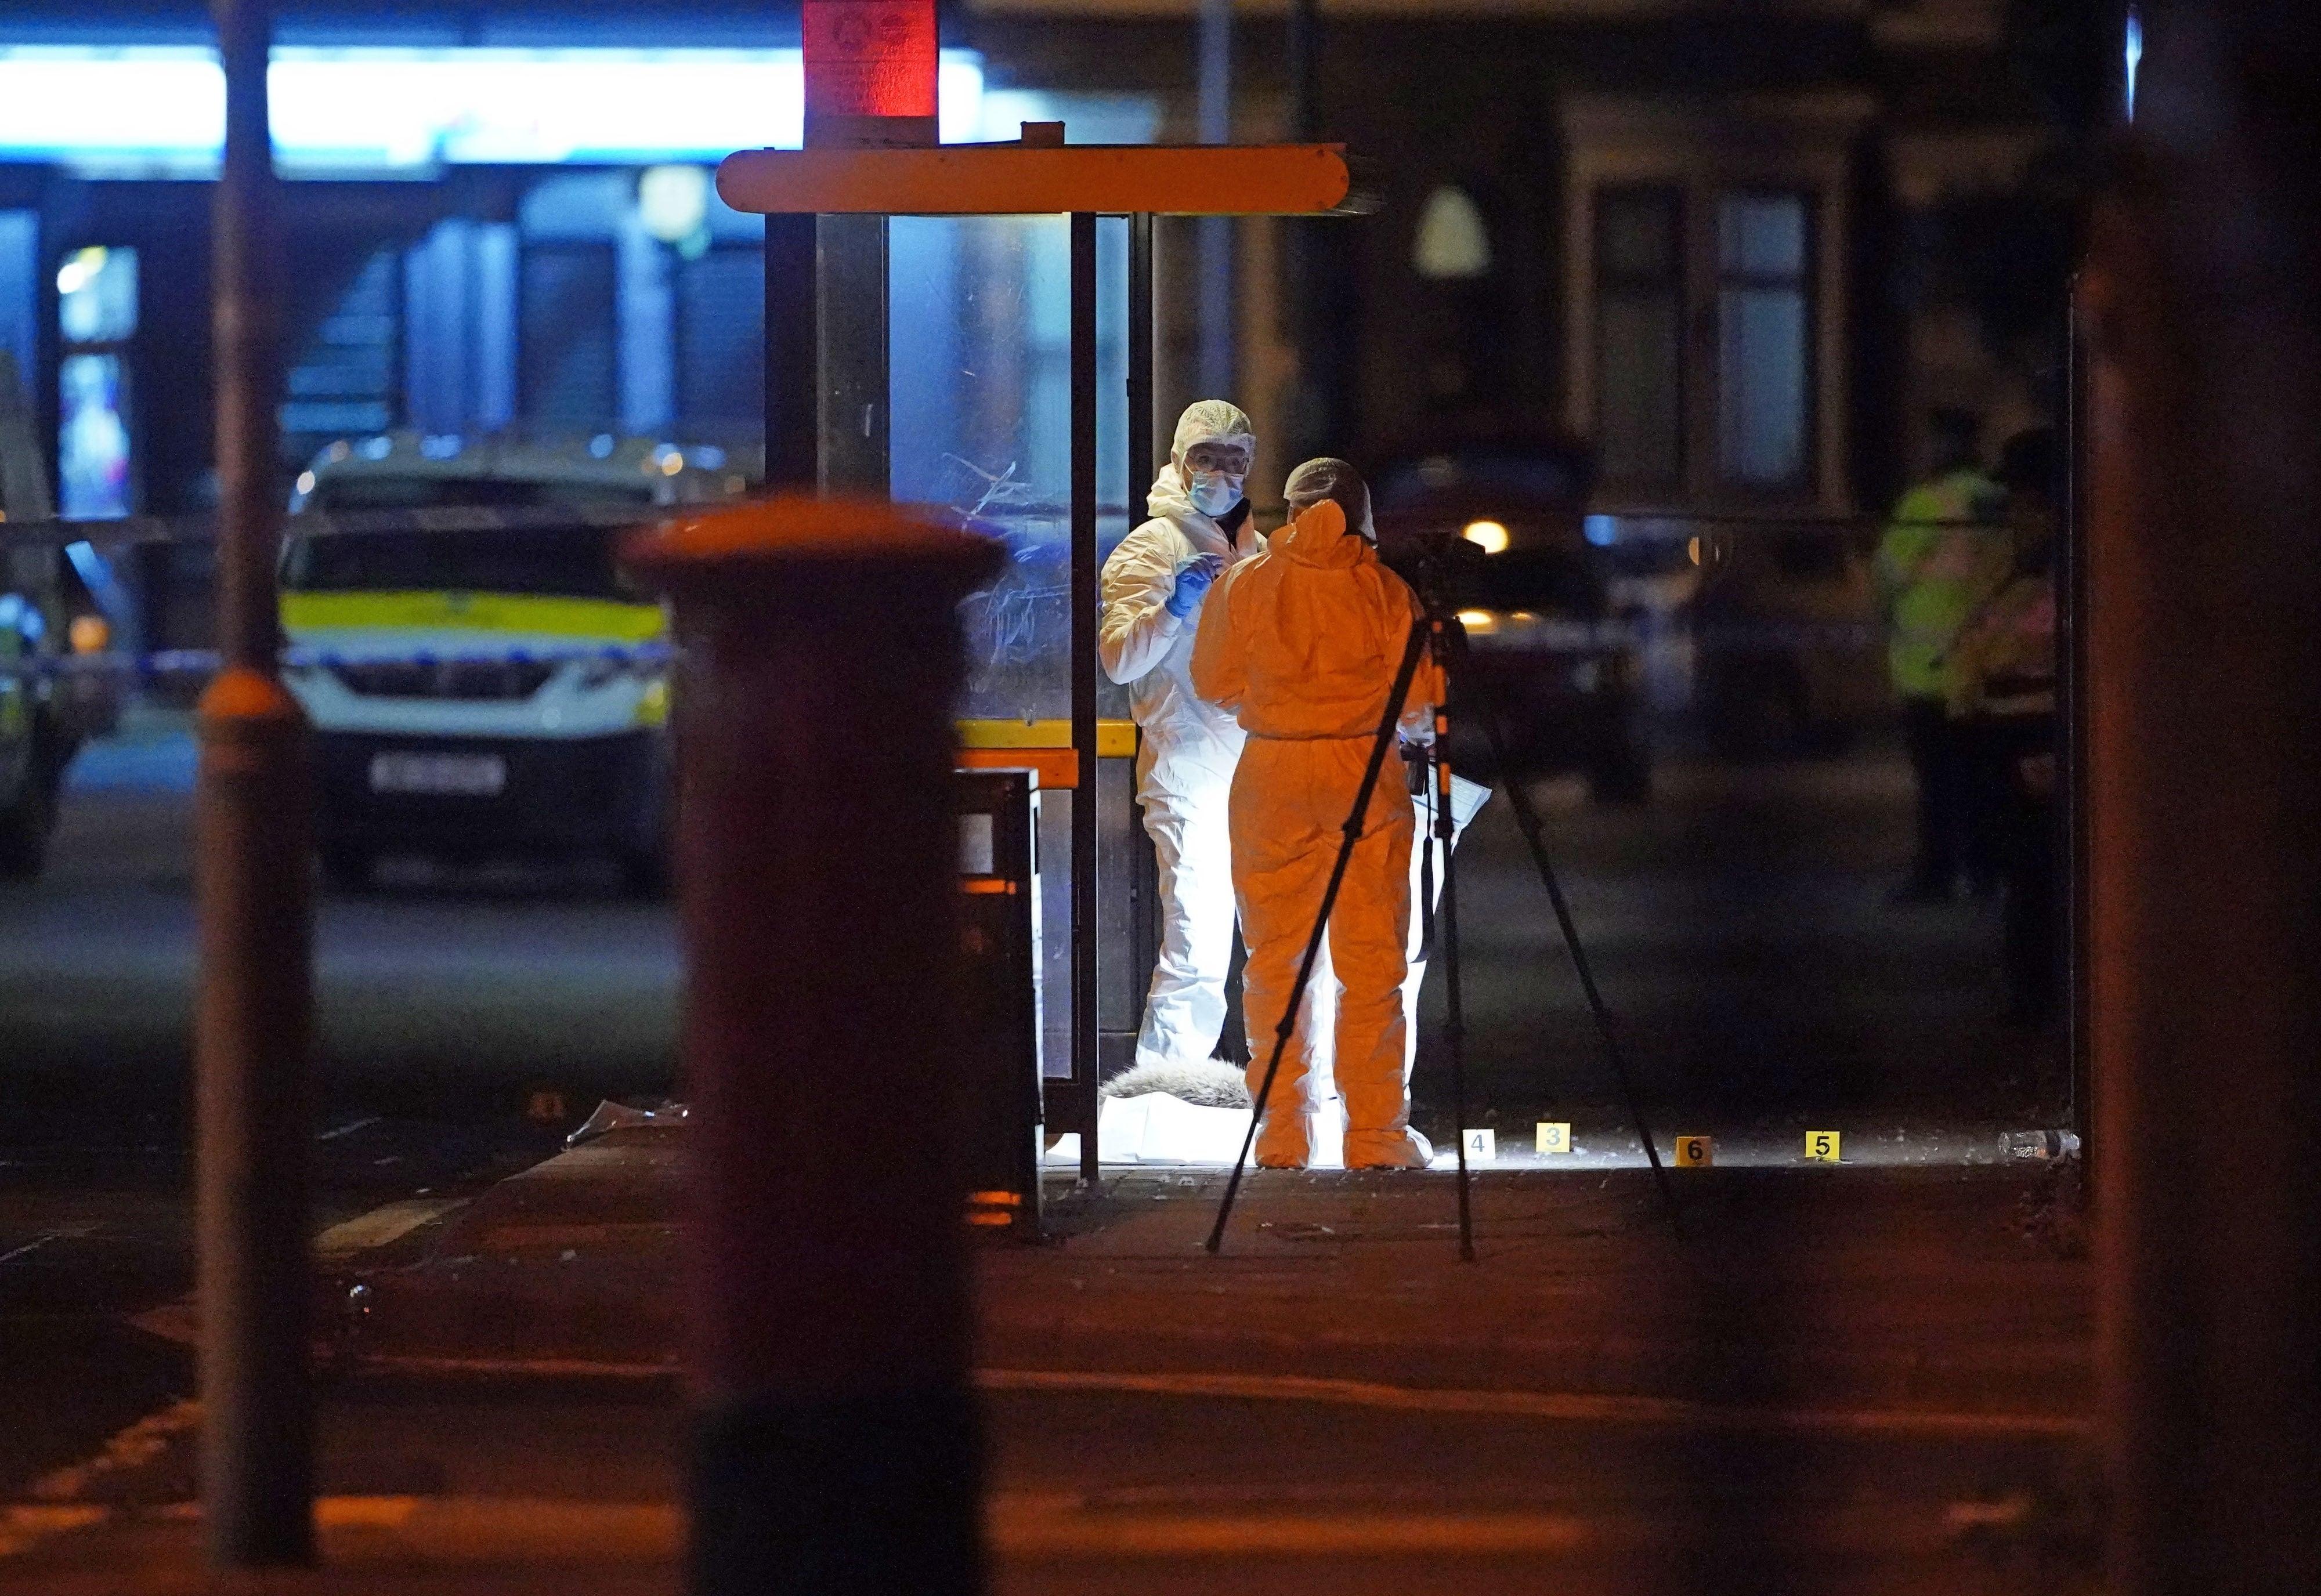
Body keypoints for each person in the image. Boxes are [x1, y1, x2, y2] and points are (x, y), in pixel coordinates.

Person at [1191, 458, 1443, 1170]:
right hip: (1364, 771)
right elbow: (1423, 702)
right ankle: (1374, 1135)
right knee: (1371, 961)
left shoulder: (1247, 581)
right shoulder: (1385, 589)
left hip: (1271, 772)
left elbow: (1212, 682)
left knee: (1276, 961)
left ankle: (1282, 1132)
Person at [1098, 400, 1263, 1088]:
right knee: (1196, 933)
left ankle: (1278, 1086)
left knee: (1273, 935)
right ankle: (1164, 1092)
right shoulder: (1150, 547)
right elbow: (1118, 661)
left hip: (1257, 759)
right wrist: (1172, 608)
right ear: (1178, 460)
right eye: (1207, 458)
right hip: (1187, 757)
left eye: (1235, 461)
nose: (1221, 473)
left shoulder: (1258, 550)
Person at [1875, 407, 2011, 903]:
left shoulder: (1926, 502)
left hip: (1928, 673)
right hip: (1987, 667)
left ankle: (1935, 875)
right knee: (1983, 780)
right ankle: (1985, 874)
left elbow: (1887, 577)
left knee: (1937, 785)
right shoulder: (1999, 501)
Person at [1947, 428, 2059, 1024]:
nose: (2016, 515)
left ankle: (2040, 999)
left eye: (2022, 501)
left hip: (2039, 733)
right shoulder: (2019, 568)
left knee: (2039, 876)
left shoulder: (2060, 573)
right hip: (2011, 734)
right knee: (2027, 874)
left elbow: (2014, 648)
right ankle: (2034, 995)